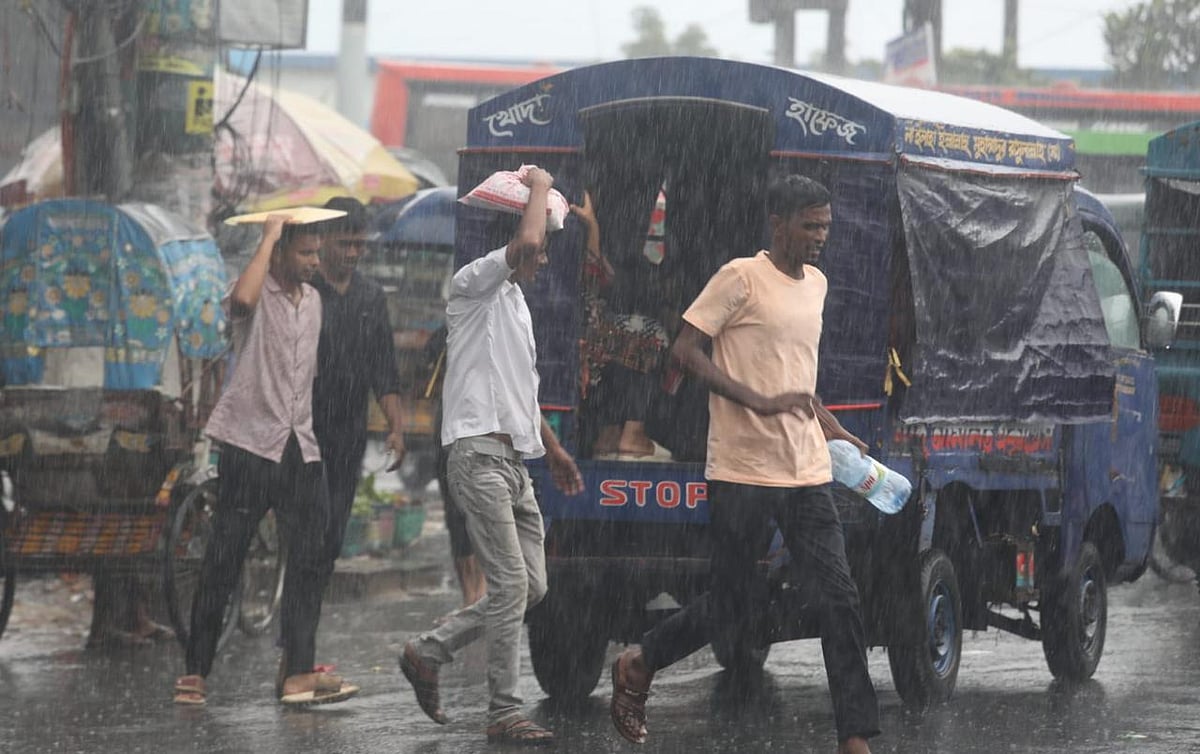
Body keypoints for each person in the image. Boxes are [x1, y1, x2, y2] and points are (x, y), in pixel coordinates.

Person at [608, 175, 879, 754]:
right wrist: (753, 399)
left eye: (825, 227)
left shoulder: (819, 285)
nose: (820, 238)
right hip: (741, 471)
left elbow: (793, 376)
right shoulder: (739, 277)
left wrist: (828, 423)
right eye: (810, 226)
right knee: (735, 604)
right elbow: (683, 352)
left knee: (839, 598)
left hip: (805, 468)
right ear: (777, 225)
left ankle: (855, 737)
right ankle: (640, 661)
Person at [397, 166, 583, 746]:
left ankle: (428, 651)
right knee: (508, 586)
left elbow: (522, 392)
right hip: (476, 456)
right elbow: (527, 241)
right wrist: (541, 188)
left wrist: (553, 451)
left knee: (532, 586)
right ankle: (503, 708)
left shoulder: (519, 306)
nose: (543, 257)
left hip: (514, 461)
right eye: (542, 246)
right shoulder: (473, 282)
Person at [173, 213, 358, 707]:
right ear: (279, 255)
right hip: (249, 443)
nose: (315, 262)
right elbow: (242, 299)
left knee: (309, 559)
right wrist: (270, 234)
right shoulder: (255, 293)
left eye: (317, 253)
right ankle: (196, 672)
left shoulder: (315, 301)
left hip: (300, 446)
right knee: (224, 560)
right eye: (305, 253)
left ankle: (297, 671)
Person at [311, 196, 406, 580]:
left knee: (333, 532)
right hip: (303, 427)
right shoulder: (307, 291)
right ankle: (297, 628)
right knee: (306, 528)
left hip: (348, 431)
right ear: (323, 238)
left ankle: (303, 619)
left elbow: (384, 369)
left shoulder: (371, 298)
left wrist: (396, 427)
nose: (352, 253)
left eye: (358, 244)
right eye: (344, 243)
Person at [570, 190, 671, 460]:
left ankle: (610, 435)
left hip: (590, 374)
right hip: (608, 349)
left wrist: (591, 225)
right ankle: (633, 433)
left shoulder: (584, 299)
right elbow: (596, 266)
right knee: (645, 337)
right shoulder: (639, 328)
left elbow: (596, 265)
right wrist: (592, 225)